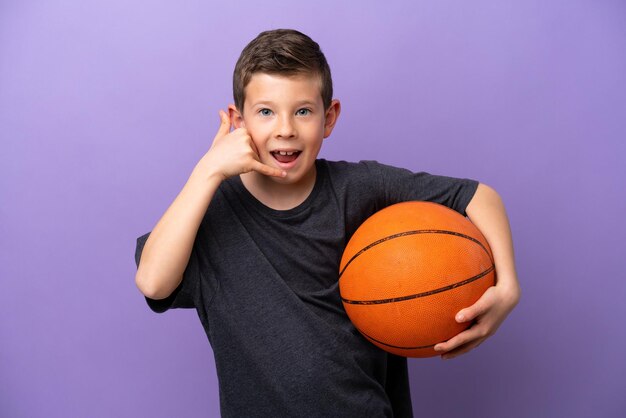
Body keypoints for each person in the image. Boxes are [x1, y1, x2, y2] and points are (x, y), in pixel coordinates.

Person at [134, 29, 520, 417]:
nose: (285, 128)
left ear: (329, 117)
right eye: (266, 111)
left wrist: (507, 287)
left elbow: (479, 196)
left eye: (303, 111)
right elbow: (153, 282)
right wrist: (207, 172)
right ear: (238, 120)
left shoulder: (361, 188)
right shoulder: (208, 211)